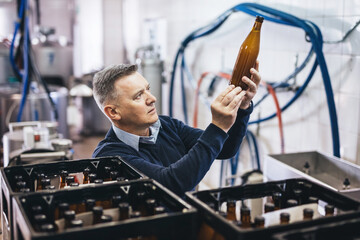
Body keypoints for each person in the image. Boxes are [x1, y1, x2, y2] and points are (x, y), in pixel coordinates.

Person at [92, 63, 261, 196]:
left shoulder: (167, 126)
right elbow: (171, 184)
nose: (152, 99)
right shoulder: (109, 157)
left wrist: (243, 106)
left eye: (148, 90)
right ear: (113, 112)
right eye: (138, 96)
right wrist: (217, 126)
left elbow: (225, 149)